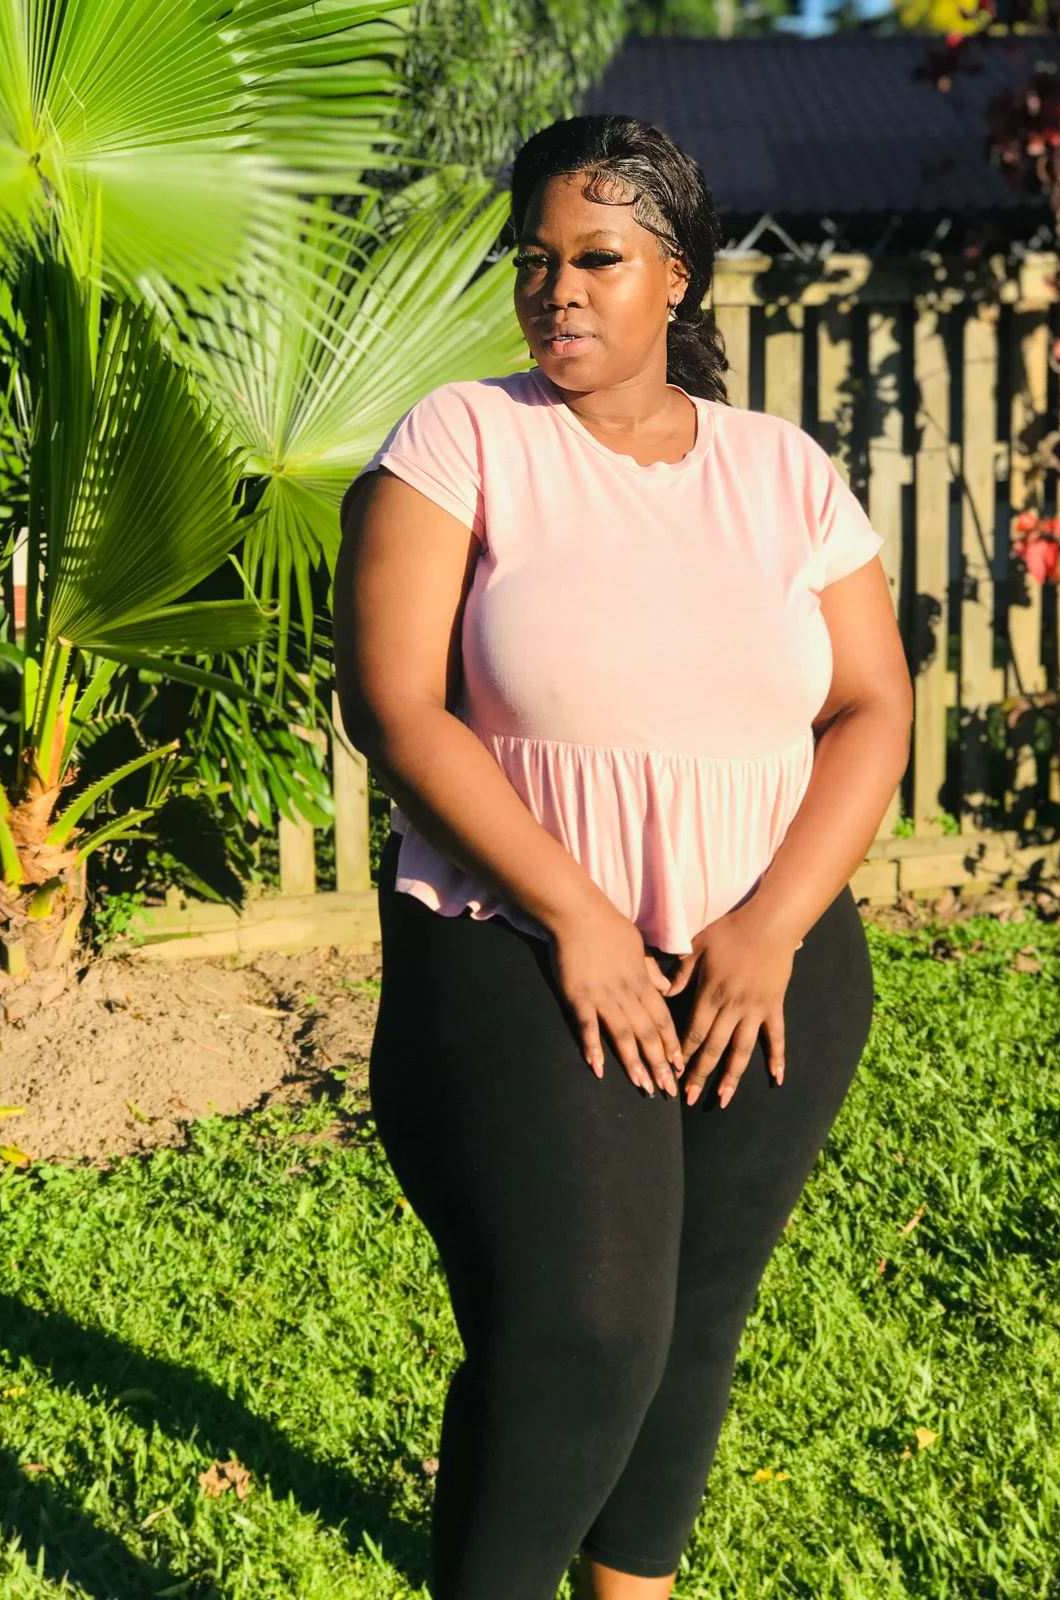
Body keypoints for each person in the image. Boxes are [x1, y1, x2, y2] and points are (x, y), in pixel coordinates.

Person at [334, 113, 913, 1600]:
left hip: (762, 955)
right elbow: (394, 707)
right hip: (521, 938)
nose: (558, 290)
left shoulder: (783, 471)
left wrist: (772, 928)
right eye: (535, 260)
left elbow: (872, 705)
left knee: (694, 1313)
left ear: (676, 278)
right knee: (582, 1327)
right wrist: (582, 916)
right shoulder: (463, 439)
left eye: (596, 258)